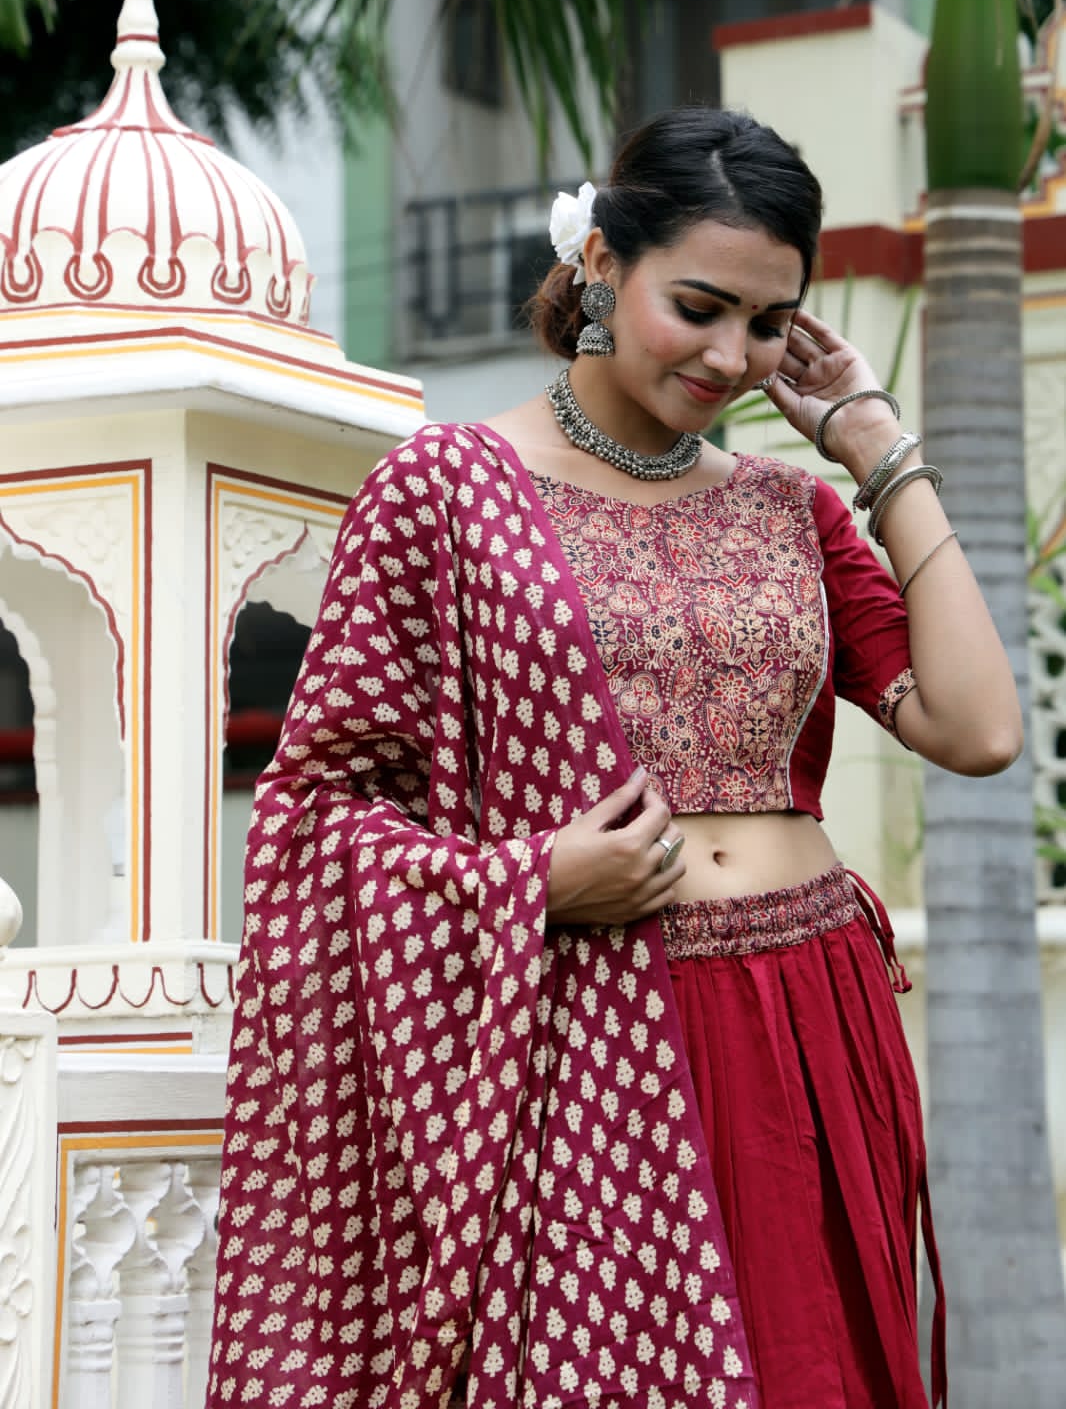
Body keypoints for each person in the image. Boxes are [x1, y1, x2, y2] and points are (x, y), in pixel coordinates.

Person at [206, 108, 1022, 1409]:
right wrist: (530, 881)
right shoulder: (445, 494)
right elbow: (312, 814)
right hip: (588, 1030)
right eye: (696, 304)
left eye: (765, 324)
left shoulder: (789, 511)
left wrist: (874, 446)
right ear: (599, 260)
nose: (729, 354)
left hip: (808, 1021)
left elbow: (976, 729)